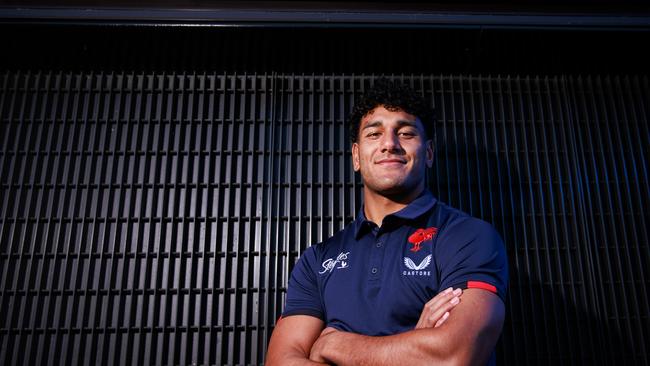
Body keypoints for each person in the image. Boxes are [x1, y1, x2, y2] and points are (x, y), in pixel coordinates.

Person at [266, 78, 508, 366]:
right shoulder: (316, 260)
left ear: (428, 153)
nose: (390, 144)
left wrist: (335, 345)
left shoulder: (468, 237)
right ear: (356, 156)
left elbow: (453, 356)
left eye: (405, 133)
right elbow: (280, 362)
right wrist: (413, 348)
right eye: (374, 134)